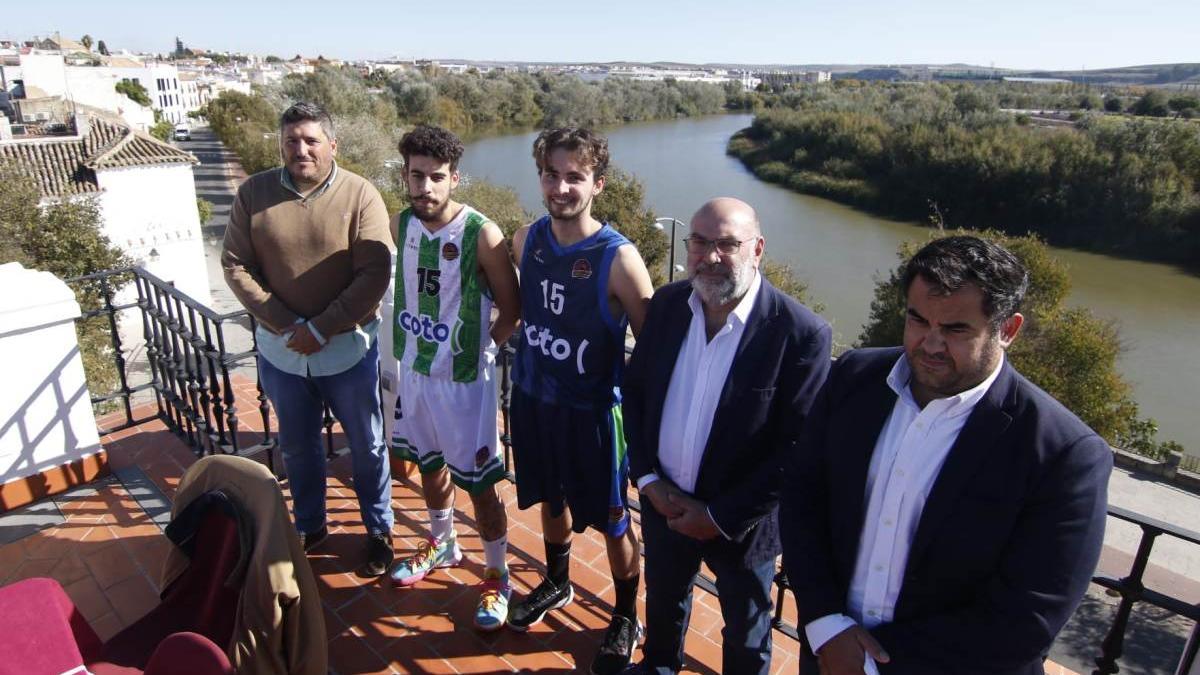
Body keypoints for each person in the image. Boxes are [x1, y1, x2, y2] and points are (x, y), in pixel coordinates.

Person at [781, 235, 1112, 675]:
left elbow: (1027, 619)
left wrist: (869, 662)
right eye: (918, 320)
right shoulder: (854, 378)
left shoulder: (1066, 454)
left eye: (955, 329)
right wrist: (826, 625)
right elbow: (804, 497)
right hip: (828, 656)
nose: (930, 344)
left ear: (1008, 330)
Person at [622, 198, 832, 674]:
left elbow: (798, 449)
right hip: (665, 502)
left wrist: (717, 516)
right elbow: (634, 396)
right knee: (664, 601)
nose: (709, 256)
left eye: (727, 244)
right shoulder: (670, 304)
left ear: (757, 249)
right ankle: (658, 666)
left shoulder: (799, 333)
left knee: (746, 628)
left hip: (743, 524)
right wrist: (649, 480)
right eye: (699, 242)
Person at [221, 101, 395, 576]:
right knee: (297, 446)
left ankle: (379, 530)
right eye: (291, 140)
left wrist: (320, 327)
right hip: (282, 354)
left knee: (368, 444)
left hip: (347, 353)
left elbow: (374, 272)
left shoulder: (361, 195)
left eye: (311, 140)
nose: (301, 149)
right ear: (280, 144)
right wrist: (284, 323)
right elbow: (236, 264)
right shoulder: (254, 193)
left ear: (331, 145)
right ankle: (312, 525)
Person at [506, 127, 654, 675]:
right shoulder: (525, 241)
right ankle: (558, 582)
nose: (561, 187)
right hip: (534, 401)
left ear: (598, 184)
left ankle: (624, 615)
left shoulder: (619, 258)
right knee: (550, 499)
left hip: (593, 414)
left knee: (616, 521)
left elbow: (654, 350)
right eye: (551, 174)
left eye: (575, 176)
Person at [384, 125, 522, 631]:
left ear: (454, 179)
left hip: (465, 384)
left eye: (436, 177)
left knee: (481, 484)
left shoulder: (481, 234)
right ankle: (443, 544)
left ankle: (496, 574)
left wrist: (478, 354)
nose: (425, 187)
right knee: (430, 465)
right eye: (416, 176)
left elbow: (512, 310)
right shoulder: (401, 224)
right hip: (416, 372)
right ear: (405, 175)